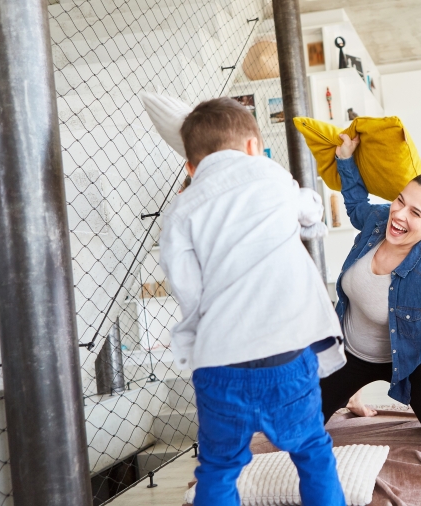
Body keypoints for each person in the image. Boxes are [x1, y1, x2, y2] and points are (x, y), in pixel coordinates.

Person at [159, 97, 346, 506]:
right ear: (251, 147)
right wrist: (310, 218)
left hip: (219, 361)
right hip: (286, 354)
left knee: (218, 467)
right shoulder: (271, 176)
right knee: (312, 450)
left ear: (191, 168)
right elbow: (310, 210)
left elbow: (187, 291)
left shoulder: (179, 211)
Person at [320, 133, 421, 458]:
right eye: (400, 200)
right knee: (293, 424)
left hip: (408, 360)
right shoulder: (377, 222)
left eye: (416, 213)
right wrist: (346, 160)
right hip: (349, 353)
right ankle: (352, 393)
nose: (400, 215)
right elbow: (355, 206)